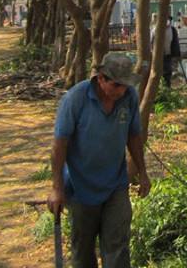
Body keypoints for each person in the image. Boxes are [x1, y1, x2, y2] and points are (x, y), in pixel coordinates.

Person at [47, 52, 151, 268]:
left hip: (115, 185)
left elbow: (133, 137)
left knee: (118, 248)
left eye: (125, 86)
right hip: (80, 188)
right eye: (116, 86)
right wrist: (57, 188)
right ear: (101, 78)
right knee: (83, 252)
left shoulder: (129, 97)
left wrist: (142, 172)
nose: (121, 91)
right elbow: (59, 145)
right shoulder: (75, 99)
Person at [163, 16, 182, 88]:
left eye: (169, 20)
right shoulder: (156, 30)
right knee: (161, 72)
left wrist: (177, 53)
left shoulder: (172, 30)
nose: (167, 22)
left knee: (168, 71)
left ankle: (167, 87)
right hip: (158, 56)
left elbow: (176, 42)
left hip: (168, 54)